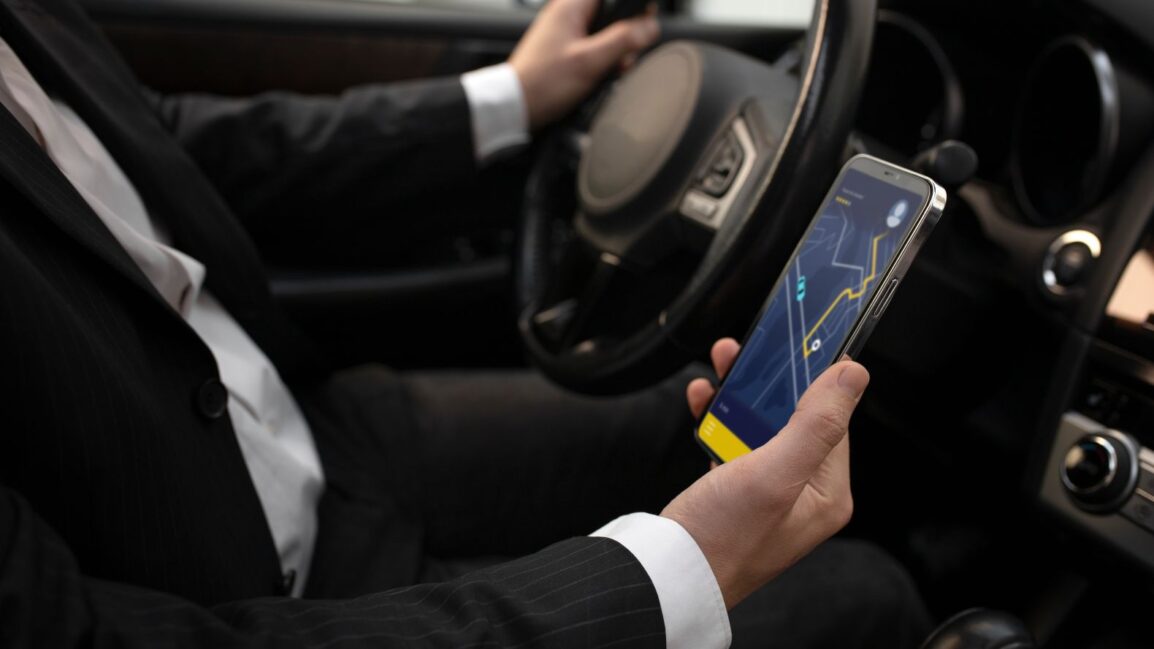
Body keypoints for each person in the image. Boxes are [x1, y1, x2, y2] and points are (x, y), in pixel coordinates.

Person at [0, 0, 930, 646]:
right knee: (868, 595)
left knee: (681, 422)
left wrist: (513, 97)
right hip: (245, 593)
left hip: (310, 439)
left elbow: (167, 145)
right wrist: (667, 578)